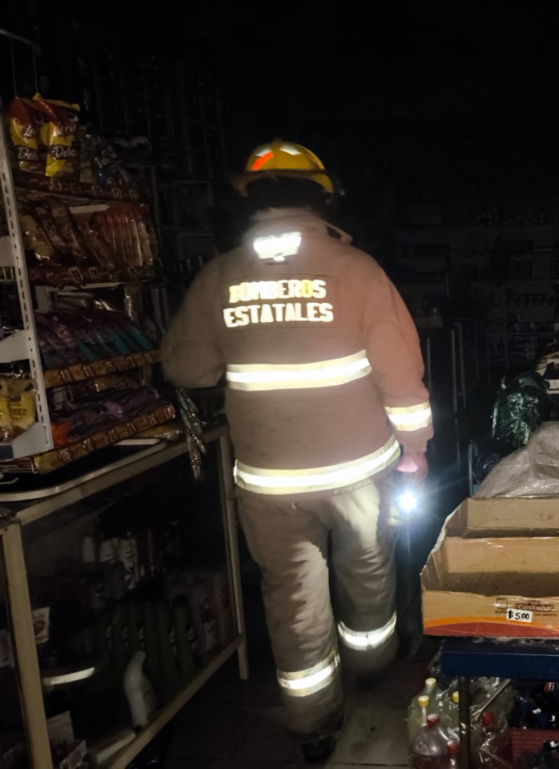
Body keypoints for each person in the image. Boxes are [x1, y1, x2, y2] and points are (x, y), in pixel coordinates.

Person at [161, 139, 432, 762]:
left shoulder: (219, 275)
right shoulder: (357, 271)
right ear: (322, 198)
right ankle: (371, 675)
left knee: (291, 598)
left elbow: (188, 367)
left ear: (251, 202)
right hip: (360, 475)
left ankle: (313, 724)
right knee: (366, 578)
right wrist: (414, 449)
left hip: (269, 485)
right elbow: (400, 375)